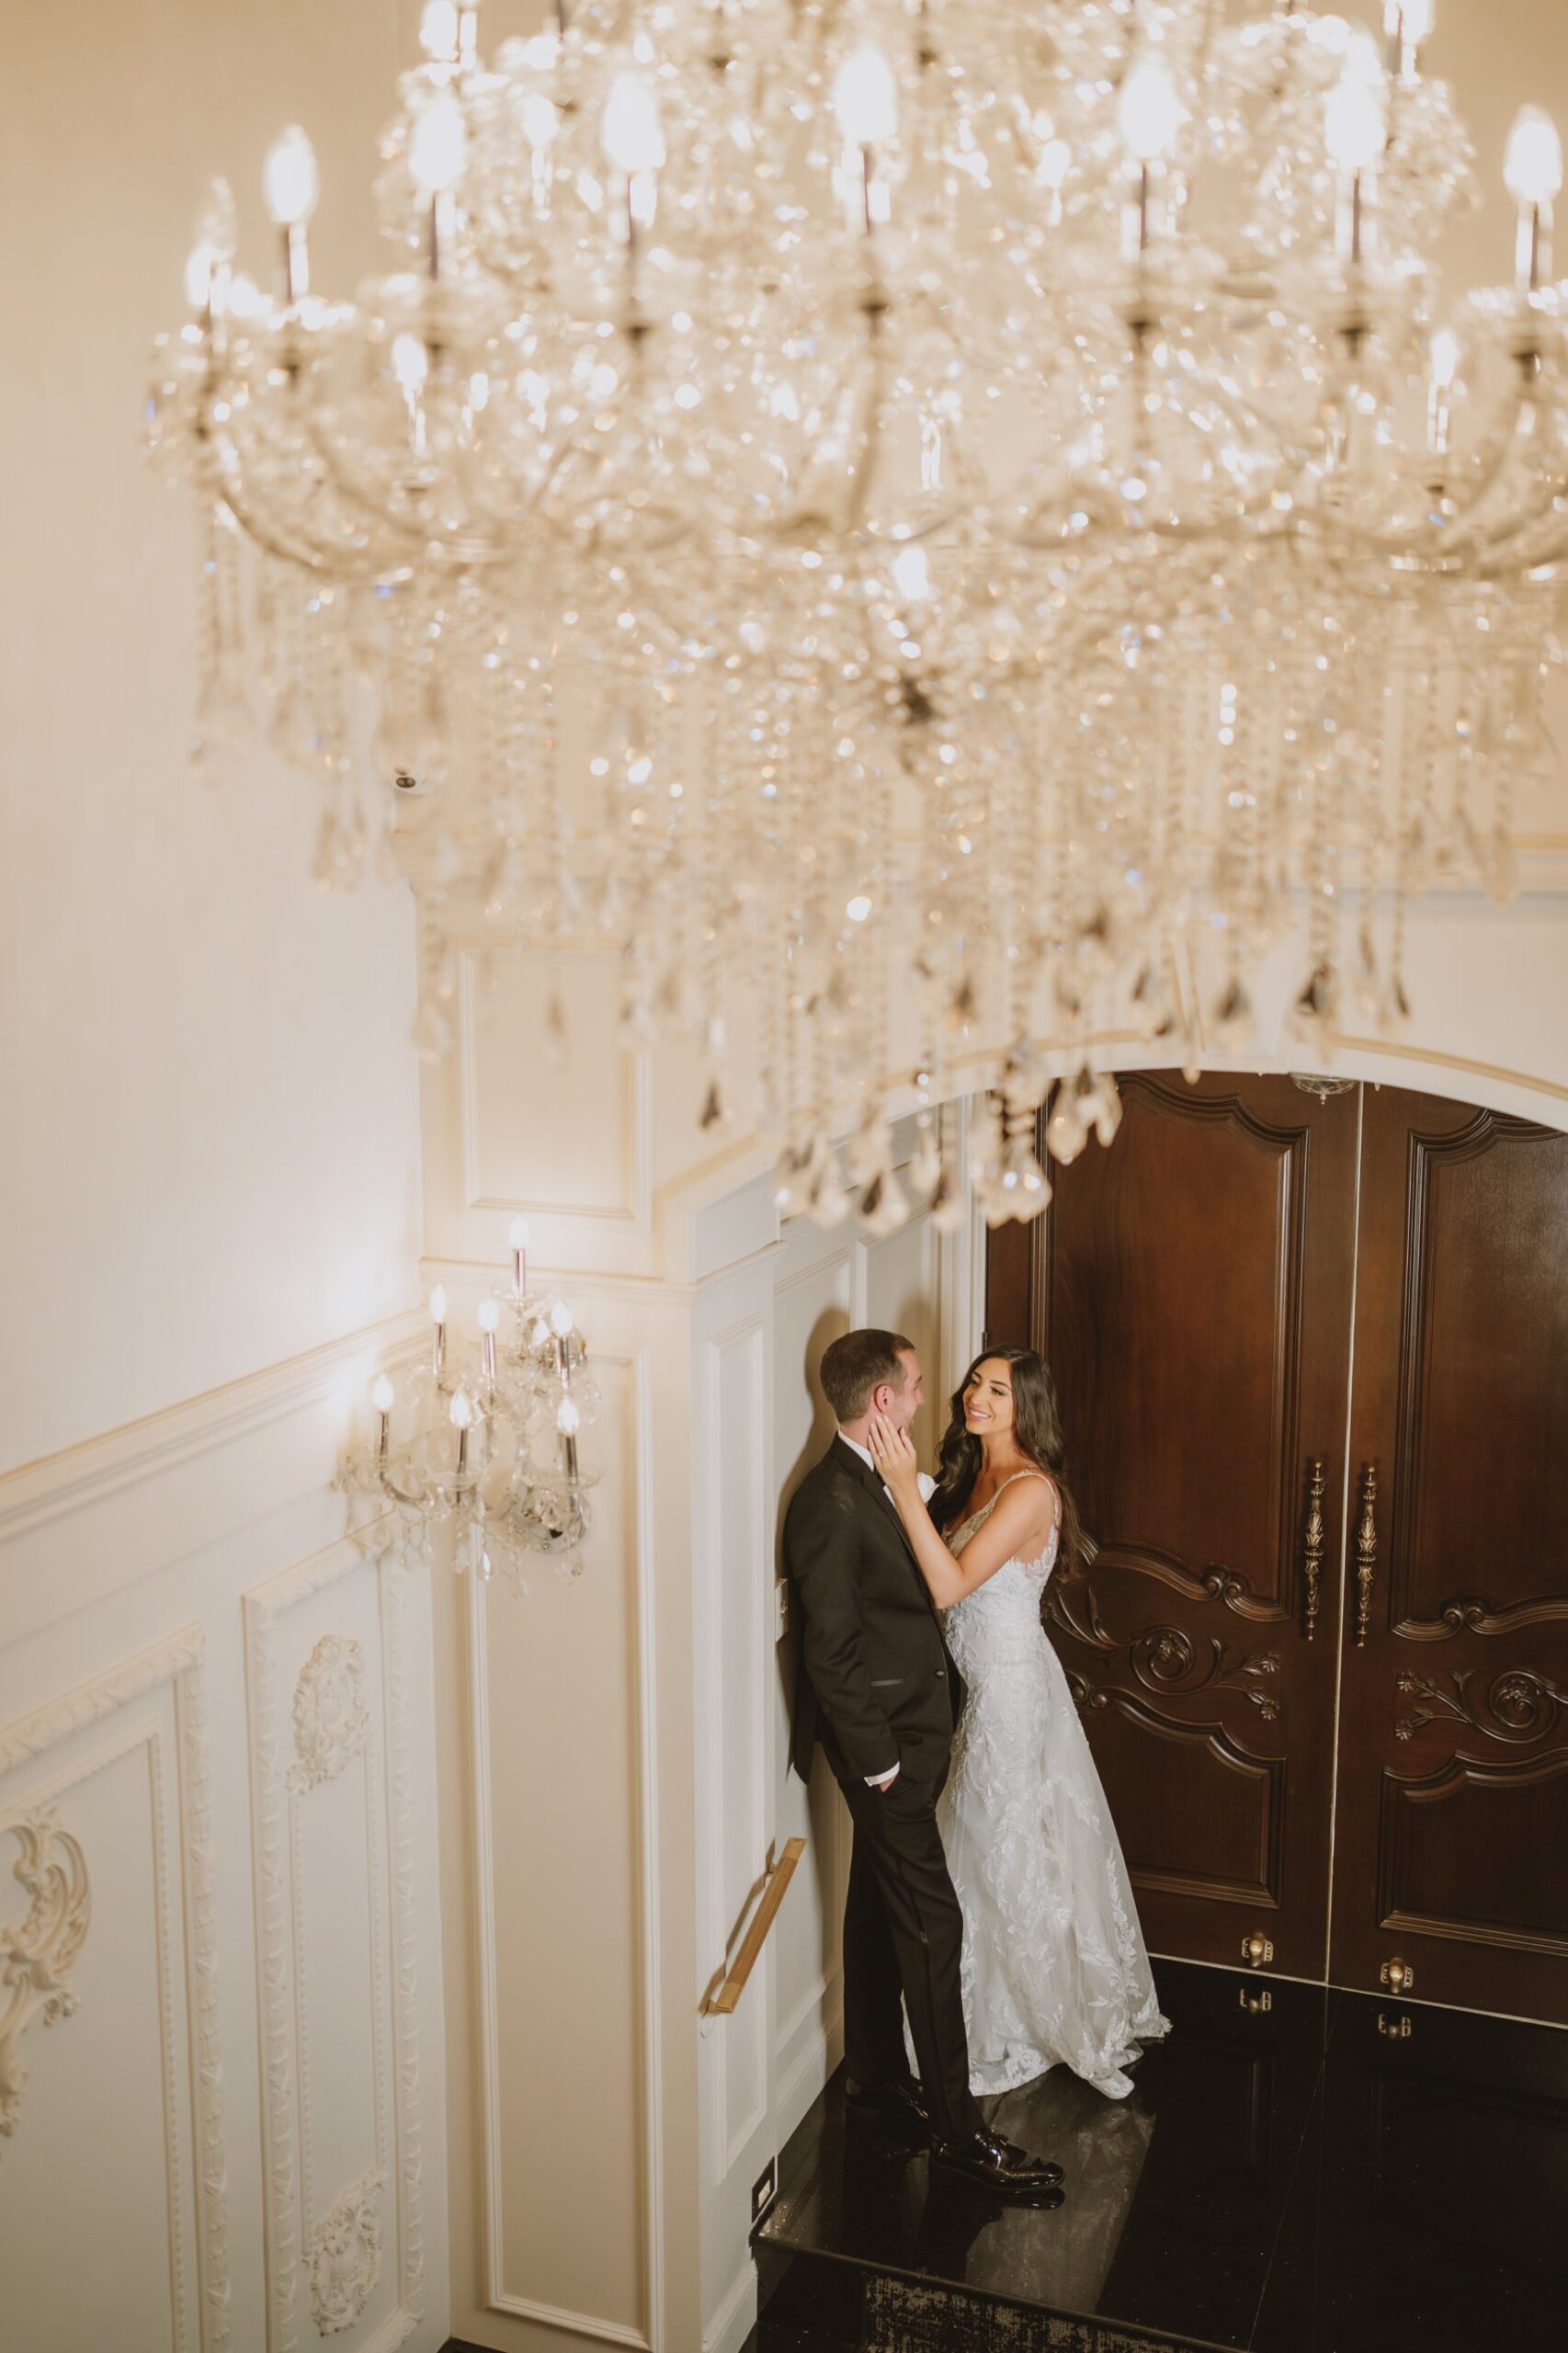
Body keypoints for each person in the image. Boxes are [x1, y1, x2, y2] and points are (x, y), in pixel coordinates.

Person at [784, 1327, 1064, 2200]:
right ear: (882, 1402)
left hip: (918, 1732)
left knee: (875, 1908)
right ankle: (959, 2136)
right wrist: (879, 1767)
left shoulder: (879, 1478)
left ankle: (874, 2083)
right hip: (888, 1755)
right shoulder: (831, 1501)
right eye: (911, 1386)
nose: (925, 1397)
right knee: (934, 1926)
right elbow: (830, 1653)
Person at [869, 1347, 1169, 2097]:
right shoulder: (975, 1473)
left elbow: (949, 1585)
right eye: (976, 1382)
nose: (977, 1396)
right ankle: (980, 2008)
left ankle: (1035, 2016)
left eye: (997, 1390)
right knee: (981, 1847)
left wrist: (902, 1486)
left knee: (1003, 1849)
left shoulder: (1030, 1490)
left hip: (1006, 1694)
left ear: (1026, 1405)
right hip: (971, 1689)